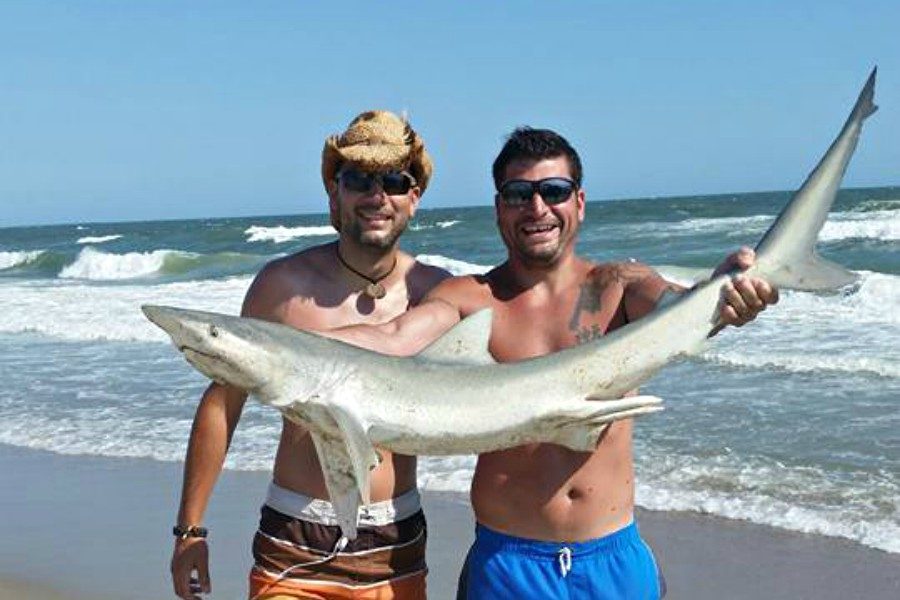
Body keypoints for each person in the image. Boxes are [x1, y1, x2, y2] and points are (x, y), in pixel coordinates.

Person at [329, 127, 778, 599]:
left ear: (578, 202)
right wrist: (277, 346)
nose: (537, 208)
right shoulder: (469, 298)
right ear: (500, 207)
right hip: (507, 565)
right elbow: (393, 337)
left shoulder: (618, 287)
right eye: (519, 193)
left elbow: (678, 311)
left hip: (613, 559)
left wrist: (725, 294)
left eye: (554, 191)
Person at [169, 110, 449, 600]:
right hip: (293, 539)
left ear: (414, 198)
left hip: (396, 545)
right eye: (358, 179)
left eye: (393, 180)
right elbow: (223, 403)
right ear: (334, 193)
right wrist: (189, 529)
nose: (376, 195)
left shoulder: (441, 296)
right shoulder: (282, 289)